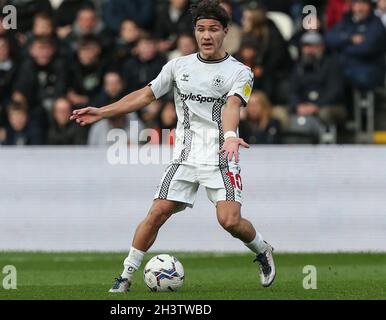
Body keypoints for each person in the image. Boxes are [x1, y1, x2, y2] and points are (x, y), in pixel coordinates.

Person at [71, 0, 276, 292]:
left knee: (229, 221)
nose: (206, 35)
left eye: (213, 29)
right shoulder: (179, 66)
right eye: (201, 29)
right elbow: (145, 95)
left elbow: (232, 105)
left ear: (225, 32)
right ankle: (126, 275)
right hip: (185, 156)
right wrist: (102, 111)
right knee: (157, 213)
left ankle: (262, 250)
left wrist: (230, 135)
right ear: (194, 32)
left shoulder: (240, 72)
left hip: (221, 154)